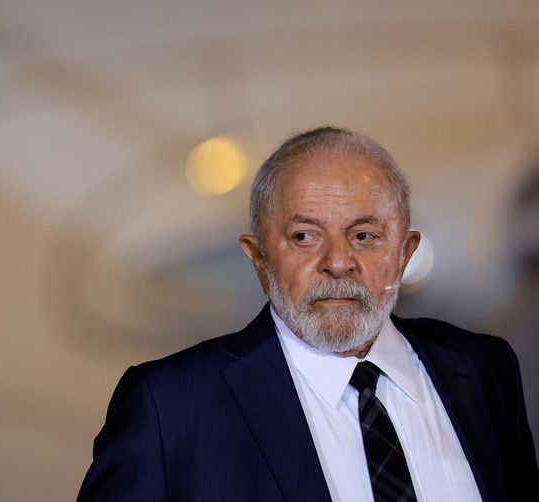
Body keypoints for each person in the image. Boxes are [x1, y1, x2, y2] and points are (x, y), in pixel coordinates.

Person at [77, 127, 538, 501]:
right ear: (258, 259)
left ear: (404, 252)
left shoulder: (482, 369)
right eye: (304, 236)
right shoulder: (171, 406)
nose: (338, 262)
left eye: (364, 236)